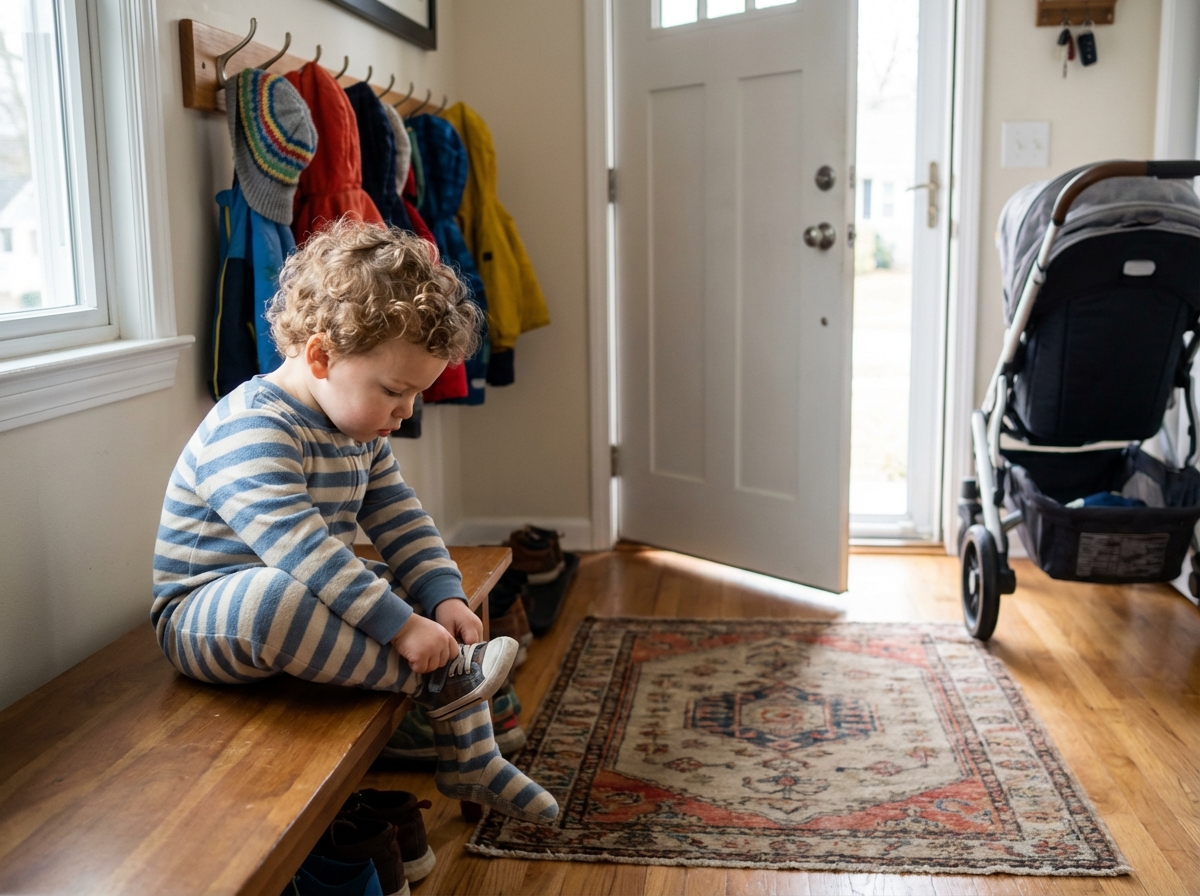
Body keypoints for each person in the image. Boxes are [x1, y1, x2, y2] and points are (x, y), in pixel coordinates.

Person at [152, 219, 557, 824]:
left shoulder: (355, 429)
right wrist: (401, 630)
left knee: (412, 597)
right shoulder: (252, 429)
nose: (406, 411)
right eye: (395, 391)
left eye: (415, 394)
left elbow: (399, 515)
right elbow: (306, 553)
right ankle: (438, 686)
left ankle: (474, 756)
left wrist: (441, 596)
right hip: (209, 619)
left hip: (303, 588)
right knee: (282, 598)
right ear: (320, 355)